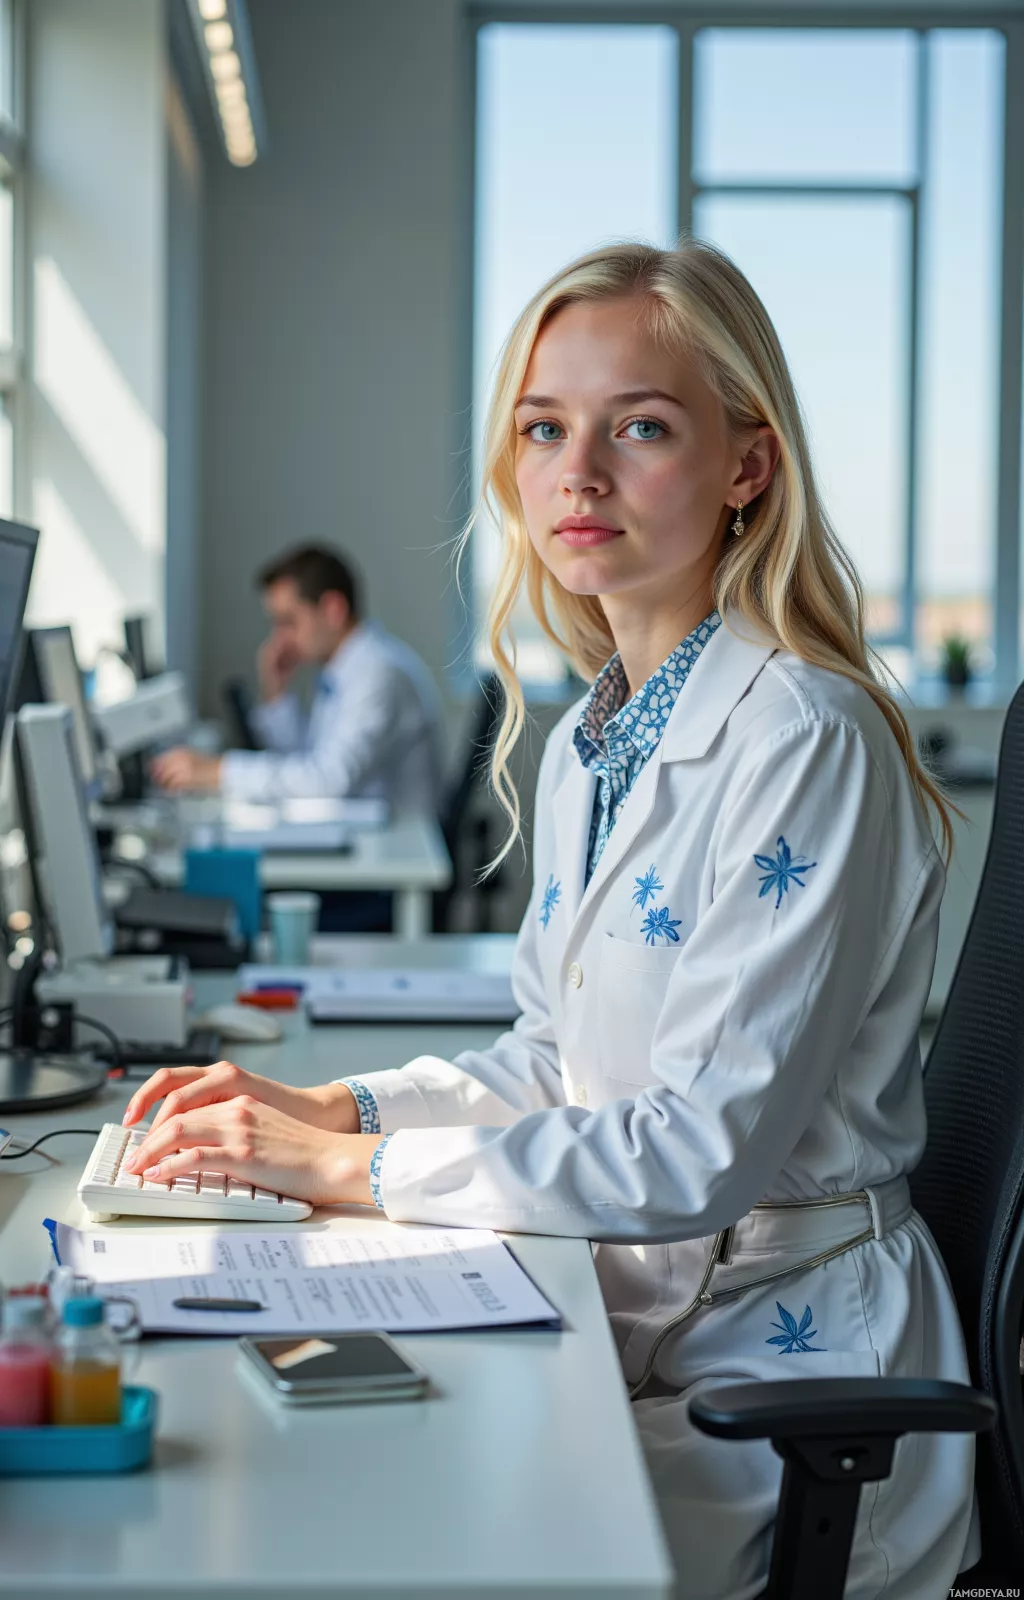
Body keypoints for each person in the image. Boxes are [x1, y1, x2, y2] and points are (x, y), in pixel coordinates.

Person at [121, 240, 976, 1599]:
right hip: (649, 1318)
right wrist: (327, 1110)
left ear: (748, 466)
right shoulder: (594, 736)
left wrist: (353, 1179)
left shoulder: (805, 736)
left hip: (787, 1382)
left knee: (399, 1542)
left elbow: (695, 1152)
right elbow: (545, 1062)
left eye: (639, 426)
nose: (576, 475)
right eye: (542, 428)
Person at [152, 545, 443, 811]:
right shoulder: (341, 670)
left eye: (288, 622)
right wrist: (276, 692)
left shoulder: (378, 674)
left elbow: (328, 782)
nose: (279, 639)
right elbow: (303, 762)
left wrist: (218, 771)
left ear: (333, 610)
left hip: (398, 851)